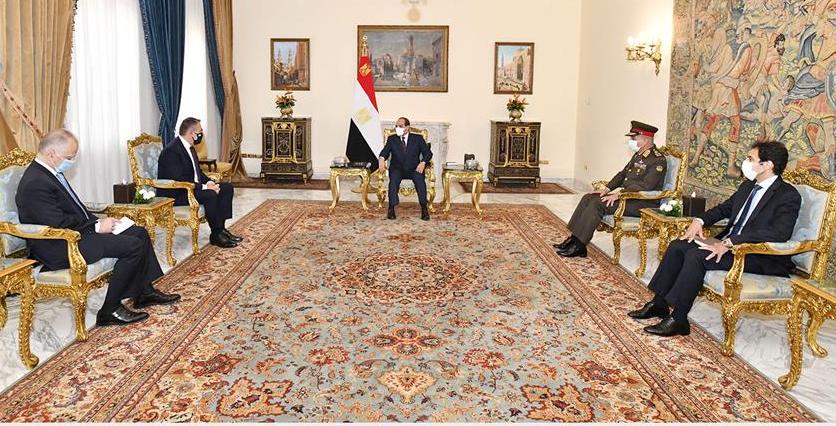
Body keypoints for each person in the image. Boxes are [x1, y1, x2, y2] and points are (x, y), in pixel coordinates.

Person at [628, 141, 800, 337]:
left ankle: (679, 319)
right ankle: (659, 304)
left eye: (750, 159)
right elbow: (724, 209)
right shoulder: (748, 186)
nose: (745, 162)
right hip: (727, 244)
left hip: (756, 255)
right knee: (678, 245)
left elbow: (779, 233)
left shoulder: (788, 195)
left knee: (696, 256)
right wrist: (699, 220)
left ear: (767, 165)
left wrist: (732, 243)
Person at [16, 129, 180, 326]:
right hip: (60, 245)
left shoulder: (50, 172)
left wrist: (100, 222)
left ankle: (144, 292)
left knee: (139, 232)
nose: (72, 161)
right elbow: (56, 224)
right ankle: (110, 309)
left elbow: (75, 210)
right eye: (70, 157)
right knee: (132, 247)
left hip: (76, 233)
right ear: (52, 154)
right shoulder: (35, 182)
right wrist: (96, 226)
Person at [555, 121, 667, 258]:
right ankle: (574, 239)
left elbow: (646, 186)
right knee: (588, 198)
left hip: (642, 203)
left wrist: (619, 194)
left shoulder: (657, 160)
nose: (631, 141)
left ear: (645, 140)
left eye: (634, 138)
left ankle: (579, 245)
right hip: (628, 197)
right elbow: (622, 175)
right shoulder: (639, 154)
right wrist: (607, 189)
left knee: (598, 203)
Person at [157, 117, 242, 248]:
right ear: (192, 133)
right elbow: (179, 180)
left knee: (226, 188)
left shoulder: (189, 147)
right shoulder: (171, 151)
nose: (202, 134)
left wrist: (210, 182)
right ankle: (216, 234)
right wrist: (204, 187)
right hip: (177, 194)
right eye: (200, 131)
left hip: (192, 188)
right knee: (210, 194)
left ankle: (221, 229)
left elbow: (198, 173)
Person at [378, 117, 432, 221]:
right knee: (393, 181)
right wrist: (381, 158)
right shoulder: (392, 139)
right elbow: (385, 151)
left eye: (400, 126)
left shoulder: (418, 138)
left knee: (420, 181)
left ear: (407, 127)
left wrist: (423, 162)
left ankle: (424, 208)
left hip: (414, 168)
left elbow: (428, 153)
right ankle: (391, 208)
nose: (397, 128)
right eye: (396, 126)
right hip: (397, 168)